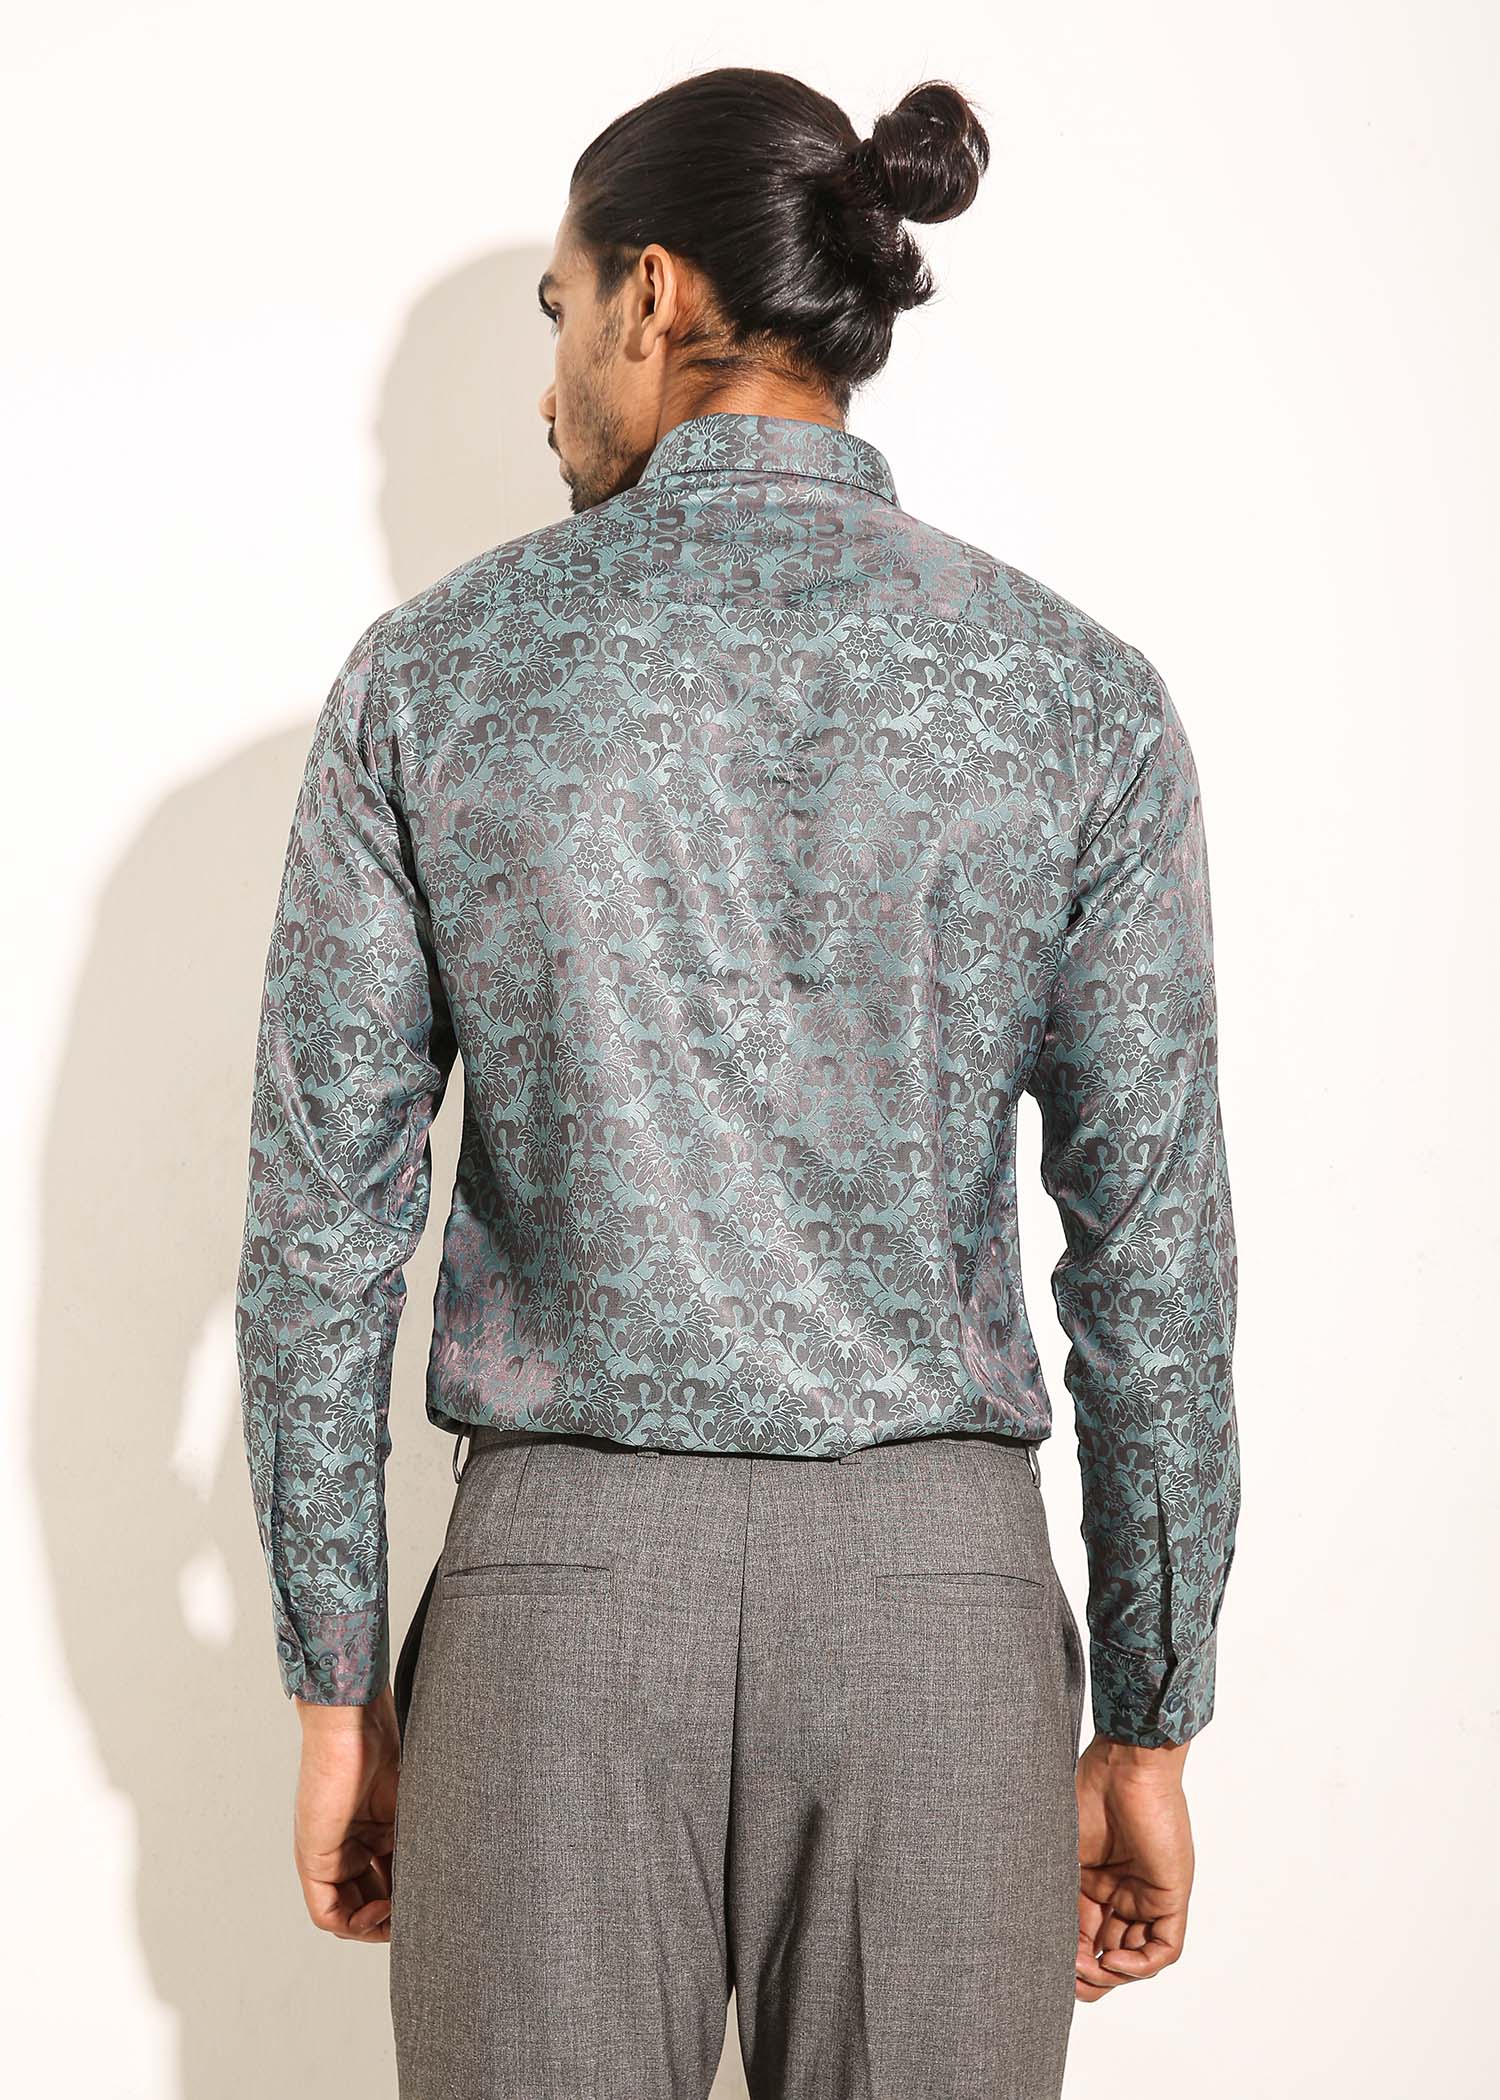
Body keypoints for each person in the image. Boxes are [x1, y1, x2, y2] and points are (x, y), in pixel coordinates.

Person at [234, 64, 1241, 2100]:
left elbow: (322, 1240)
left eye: (556, 313)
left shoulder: (434, 676)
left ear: (652, 295)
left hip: (556, 1609)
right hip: (940, 1615)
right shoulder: (1078, 698)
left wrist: (339, 1688)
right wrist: (1148, 1715)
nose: (545, 395)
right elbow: (1154, 1265)